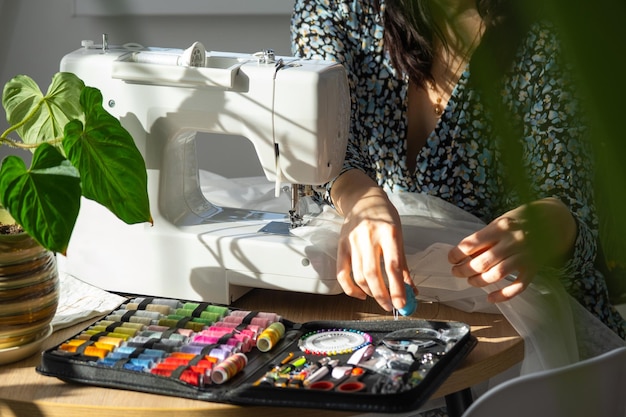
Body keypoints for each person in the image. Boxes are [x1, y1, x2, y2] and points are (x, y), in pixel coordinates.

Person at [291, 0, 626, 340]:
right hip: (388, 317)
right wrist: (359, 198)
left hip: (528, 330)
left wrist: (552, 223)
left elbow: (567, 200)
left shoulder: (552, 31)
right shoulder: (336, 8)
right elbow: (315, 136)